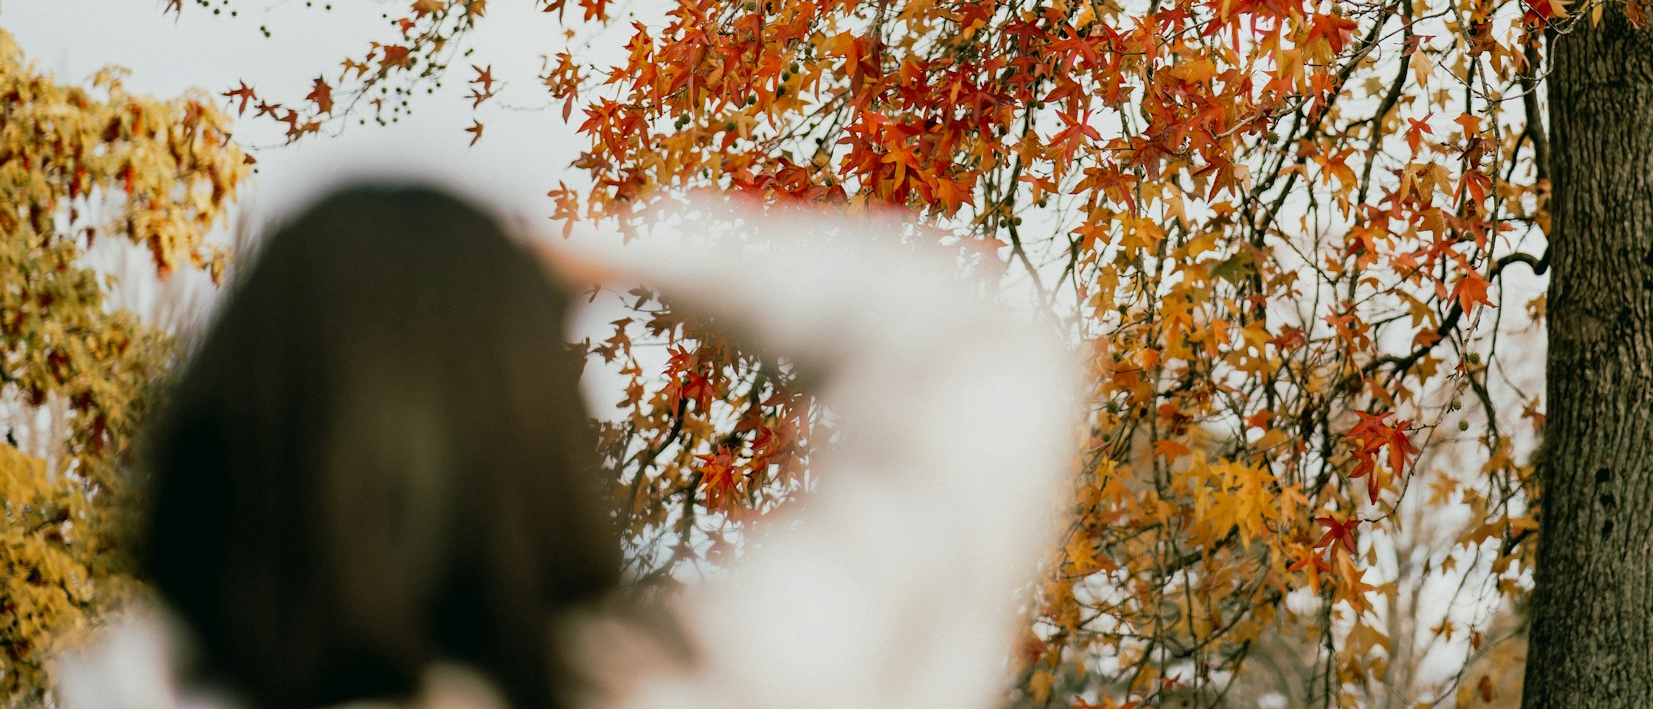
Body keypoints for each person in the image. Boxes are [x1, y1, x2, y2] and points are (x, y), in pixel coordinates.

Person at [53, 183, 1083, 709]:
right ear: (538, 432)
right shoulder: (720, 686)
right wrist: (624, 247)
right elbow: (981, 361)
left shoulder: (116, 687)